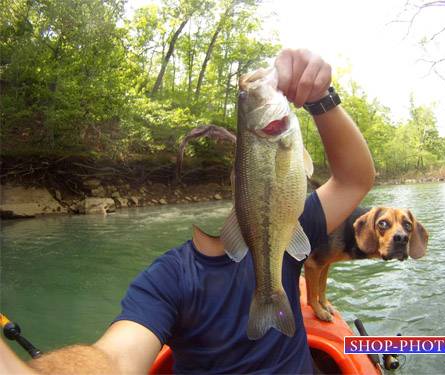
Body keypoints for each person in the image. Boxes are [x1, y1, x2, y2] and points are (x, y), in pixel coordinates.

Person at [0, 48, 375, 374]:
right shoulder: (169, 279)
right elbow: (113, 360)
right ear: (234, 183)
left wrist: (320, 98)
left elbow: (355, 179)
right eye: (243, 165)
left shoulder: (291, 224)